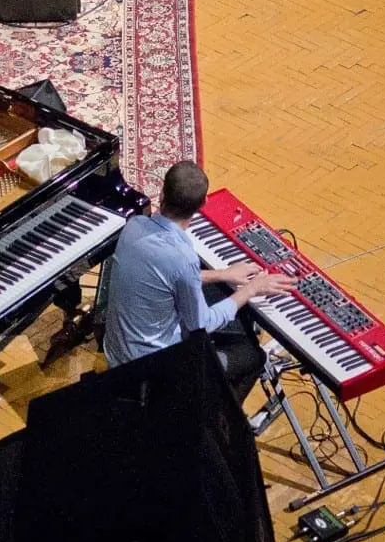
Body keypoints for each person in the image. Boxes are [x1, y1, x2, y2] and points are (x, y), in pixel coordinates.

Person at [102, 161, 295, 402]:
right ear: (202, 205)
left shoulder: (134, 226)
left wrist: (222, 274)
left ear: (162, 193)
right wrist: (250, 290)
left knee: (218, 300)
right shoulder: (182, 258)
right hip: (155, 375)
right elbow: (200, 324)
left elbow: (163, 278)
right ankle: (211, 428)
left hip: (118, 357)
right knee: (251, 355)